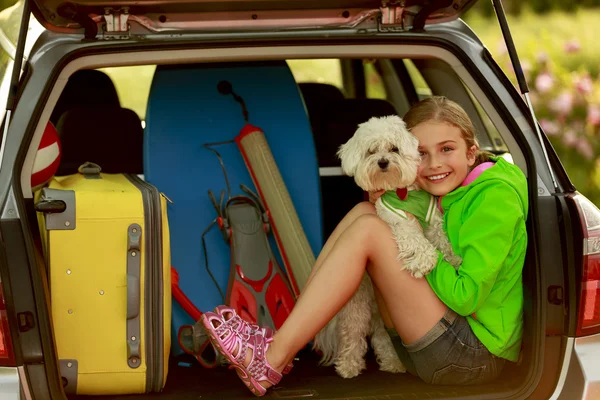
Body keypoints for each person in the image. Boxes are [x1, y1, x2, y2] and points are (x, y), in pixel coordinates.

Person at [201, 96, 529, 396]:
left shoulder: (493, 199)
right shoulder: (448, 192)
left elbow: (466, 296)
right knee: (366, 212)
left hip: (470, 356)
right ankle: (285, 342)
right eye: (422, 153)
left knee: (371, 229)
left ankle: (270, 359)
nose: (432, 166)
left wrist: (417, 243)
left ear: (471, 152)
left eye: (447, 149)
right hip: (426, 346)